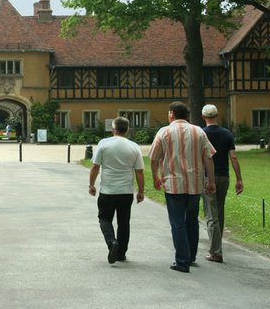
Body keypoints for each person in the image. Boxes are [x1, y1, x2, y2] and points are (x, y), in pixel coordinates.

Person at [149, 101, 216, 273]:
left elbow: (154, 158)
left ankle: (182, 261)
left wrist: (155, 177)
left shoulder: (164, 132)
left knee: (177, 222)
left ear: (171, 113)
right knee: (192, 220)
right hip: (195, 184)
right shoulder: (198, 131)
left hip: (173, 184)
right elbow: (208, 157)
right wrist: (212, 181)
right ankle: (191, 255)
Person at [88, 117, 145, 264]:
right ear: (127, 129)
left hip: (108, 190)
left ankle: (111, 242)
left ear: (113, 129)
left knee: (104, 219)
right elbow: (139, 171)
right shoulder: (134, 146)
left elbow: (95, 167)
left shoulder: (104, 144)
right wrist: (141, 191)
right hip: (126, 191)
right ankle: (121, 254)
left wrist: (91, 185)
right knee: (124, 222)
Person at [200, 104, 244, 263]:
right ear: (217, 116)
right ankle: (217, 244)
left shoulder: (201, 134)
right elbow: (233, 157)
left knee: (210, 213)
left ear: (203, 117)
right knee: (219, 210)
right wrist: (239, 179)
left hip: (207, 177)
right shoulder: (227, 134)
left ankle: (215, 252)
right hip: (224, 177)